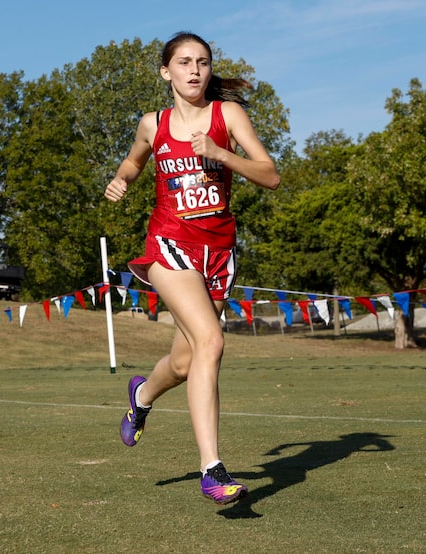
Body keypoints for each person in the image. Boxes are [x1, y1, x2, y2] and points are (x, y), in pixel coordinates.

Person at [104, 31, 280, 506]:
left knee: (184, 362)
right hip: (169, 245)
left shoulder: (228, 116)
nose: (195, 70)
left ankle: (141, 396)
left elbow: (270, 174)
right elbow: (134, 161)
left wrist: (222, 154)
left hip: (219, 252)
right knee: (212, 342)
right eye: (184, 62)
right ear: (167, 72)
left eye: (202, 62)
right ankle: (213, 469)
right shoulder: (152, 123)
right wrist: (121, 179)